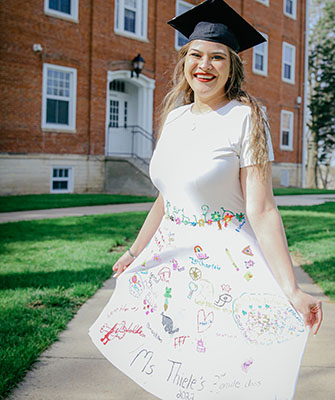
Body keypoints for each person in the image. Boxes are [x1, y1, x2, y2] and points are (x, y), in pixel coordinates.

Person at [89, 1, 322, 399]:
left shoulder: (247, 117)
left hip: (225, 270)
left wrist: (292, 287)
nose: (205, 65)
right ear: (184, 61)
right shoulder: (175, 118)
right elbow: (167, 198)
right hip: (171, 266)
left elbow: (262, 209)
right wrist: (134, 250)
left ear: (232, 67)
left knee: (223, 381)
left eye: (217, 57)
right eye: (196, 55)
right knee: (177, 378)